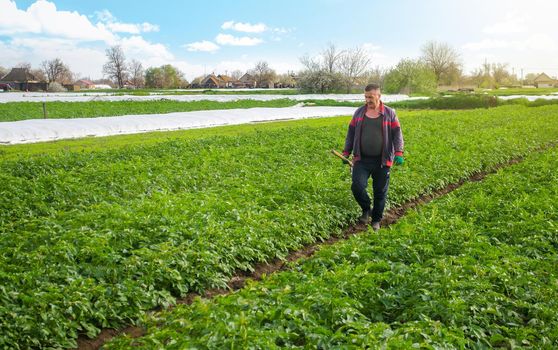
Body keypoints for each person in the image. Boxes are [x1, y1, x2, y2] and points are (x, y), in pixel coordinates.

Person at [342, 83, 404, 231]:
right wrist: (346, 152)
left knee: (380, 192)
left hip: (382, 160)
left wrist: (399, 152)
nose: (368, 100)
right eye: (366, 97)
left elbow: (397, 134)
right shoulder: (359, 113)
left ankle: (376, 220)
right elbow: (351, 133)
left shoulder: (389, 113)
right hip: (361, 159)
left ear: (379, 96)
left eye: (371, 97)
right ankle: (366, 208)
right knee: (357, 186)